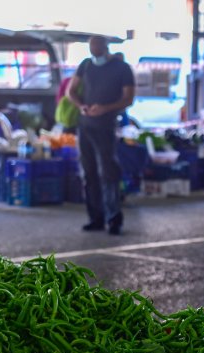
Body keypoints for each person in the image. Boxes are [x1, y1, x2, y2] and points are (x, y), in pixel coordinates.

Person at [67, 36, 135, 235]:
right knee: (89, 173)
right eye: (90, 46)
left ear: (106, 47)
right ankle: (95, 217)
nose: (93, 50)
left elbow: (128, 98)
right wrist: (81, 106)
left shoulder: (122, 68)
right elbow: (71, 91)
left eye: (96, 46)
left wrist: (105, 108)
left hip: (106, 126)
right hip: (85, 125)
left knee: (108, 172)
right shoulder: (86, 65)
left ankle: (113, 218)